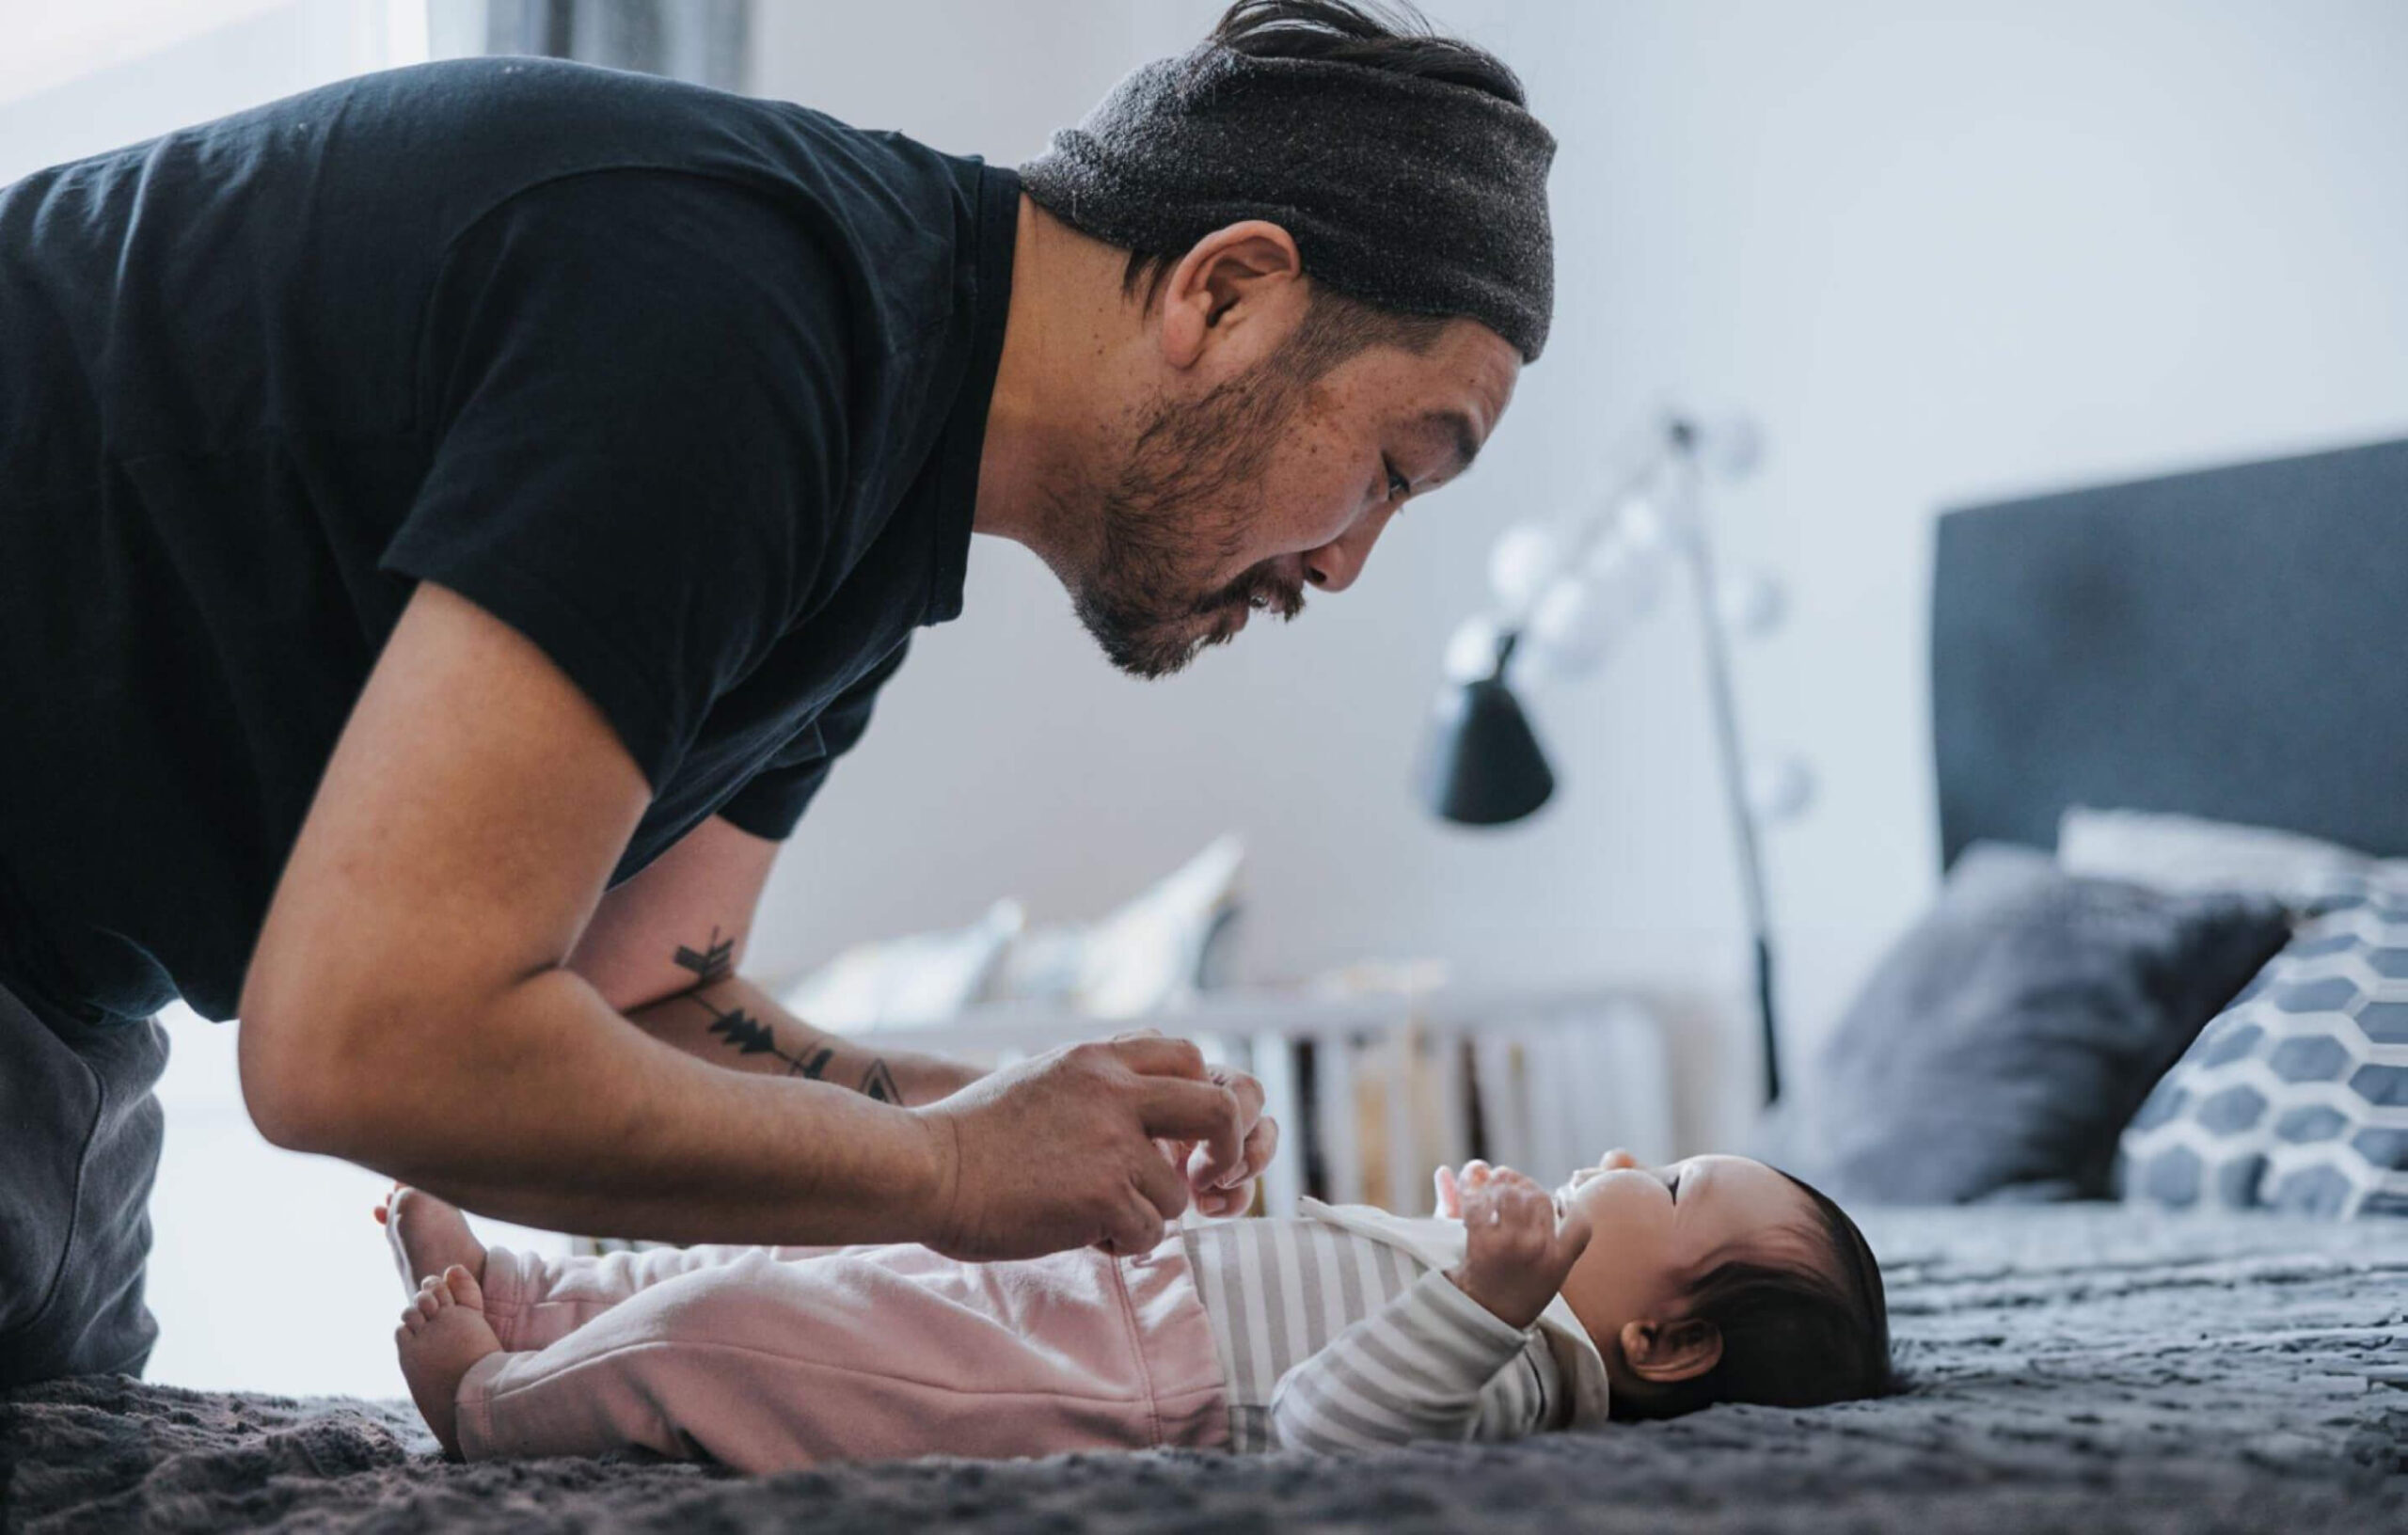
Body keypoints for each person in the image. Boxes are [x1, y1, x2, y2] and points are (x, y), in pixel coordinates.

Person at [0, 1, 1555, 1386]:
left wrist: (1009, 1115)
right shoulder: (742, 333)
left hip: (73, 984)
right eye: (1392, 469)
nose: (1345, 565)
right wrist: (944, 1171)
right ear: (1225, 294)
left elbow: (640, 998)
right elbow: (366, 1044)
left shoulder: (880, 505)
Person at [376, 1150, 1896, 1466]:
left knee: (755, 1340)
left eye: (1676, 1187)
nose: (1627, 1159)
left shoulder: (1528, 1375)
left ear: (1670, 1344)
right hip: (1117, 1291)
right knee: (812, 1275)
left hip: (1106, 1377)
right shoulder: (1505, 1303)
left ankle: (499, 1405)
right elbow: (1321, 1296)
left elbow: (1322, 1419)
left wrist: (1491, 1298)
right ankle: (529, 1289)